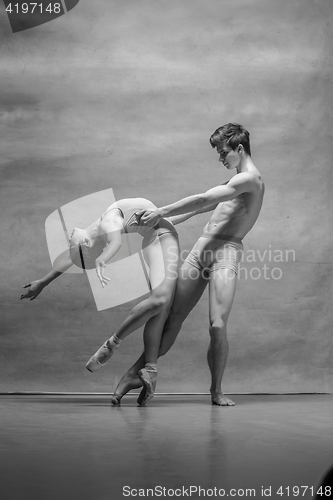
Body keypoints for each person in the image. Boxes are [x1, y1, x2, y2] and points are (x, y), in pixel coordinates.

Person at [112, 123, 265, 406]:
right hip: (201, 251)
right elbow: (203, 206)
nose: (220, 159)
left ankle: (216, 391)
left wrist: (161, 210)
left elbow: (203, 197)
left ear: (239, 148)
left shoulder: (251, 180)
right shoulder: (234, 182)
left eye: (223, 153)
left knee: (217, 326)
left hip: (226, 253)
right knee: (171, 315)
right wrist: (157, 221)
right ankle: (137, 373)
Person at [20, 197, 182, 405]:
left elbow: (75, 255)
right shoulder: (107, 224)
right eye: (73, 243)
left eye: (70, 244)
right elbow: (111, 244)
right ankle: (112, 344)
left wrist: (43, 282)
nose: (69, 237)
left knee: (161, 308)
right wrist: (101, 259)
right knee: (160, 302)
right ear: (86, 242)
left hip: (159, 238)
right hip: (160, 240)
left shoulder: (102, 225)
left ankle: (150, 369)